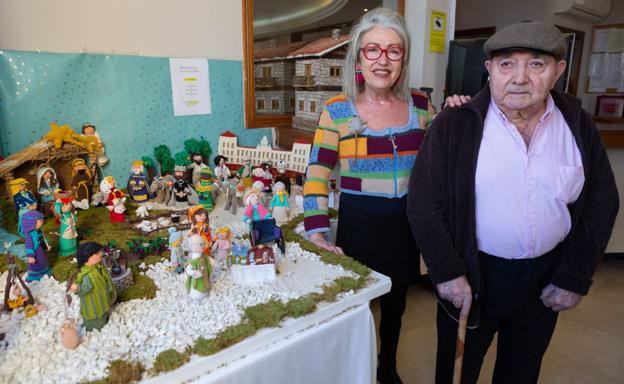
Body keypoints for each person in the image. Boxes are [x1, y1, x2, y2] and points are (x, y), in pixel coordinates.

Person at [407, 21, 619, 384]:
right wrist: (446, 272)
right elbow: (424, 202)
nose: (519, 78)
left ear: (558, 71)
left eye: (536, 64)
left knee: (521, 372)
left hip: (545, 278)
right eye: (506, 64)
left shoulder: (577, 124)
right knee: (456, 373)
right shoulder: (455, 124)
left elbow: (602, 201)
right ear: (489, 70)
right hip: (473, 275)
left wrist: (574, 276)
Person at [302, 8, 436, 384]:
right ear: (358, 57)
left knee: (397, 307)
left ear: (403, 59)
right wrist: (316, 232)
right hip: (359, 225)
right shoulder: (337, 112)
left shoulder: (423, 108)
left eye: (394, 51)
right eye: (373, 50)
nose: (383, 60)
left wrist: (460, 111)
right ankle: (355, 372)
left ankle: (387, 367)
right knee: (358, 308)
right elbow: (317, 174)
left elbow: (443, 160)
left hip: (405, 225)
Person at [70, 242, 117, 332]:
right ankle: (95, 328)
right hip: (94, 305)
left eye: (99, 252)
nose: (100, 254)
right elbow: (85, 288)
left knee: (103, 311)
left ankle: (104, 319)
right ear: (87, 258)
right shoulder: (87, 275)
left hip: (102, 298)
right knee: (97, 319)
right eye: (96, 253)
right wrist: (77, 287)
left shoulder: (98, 267)